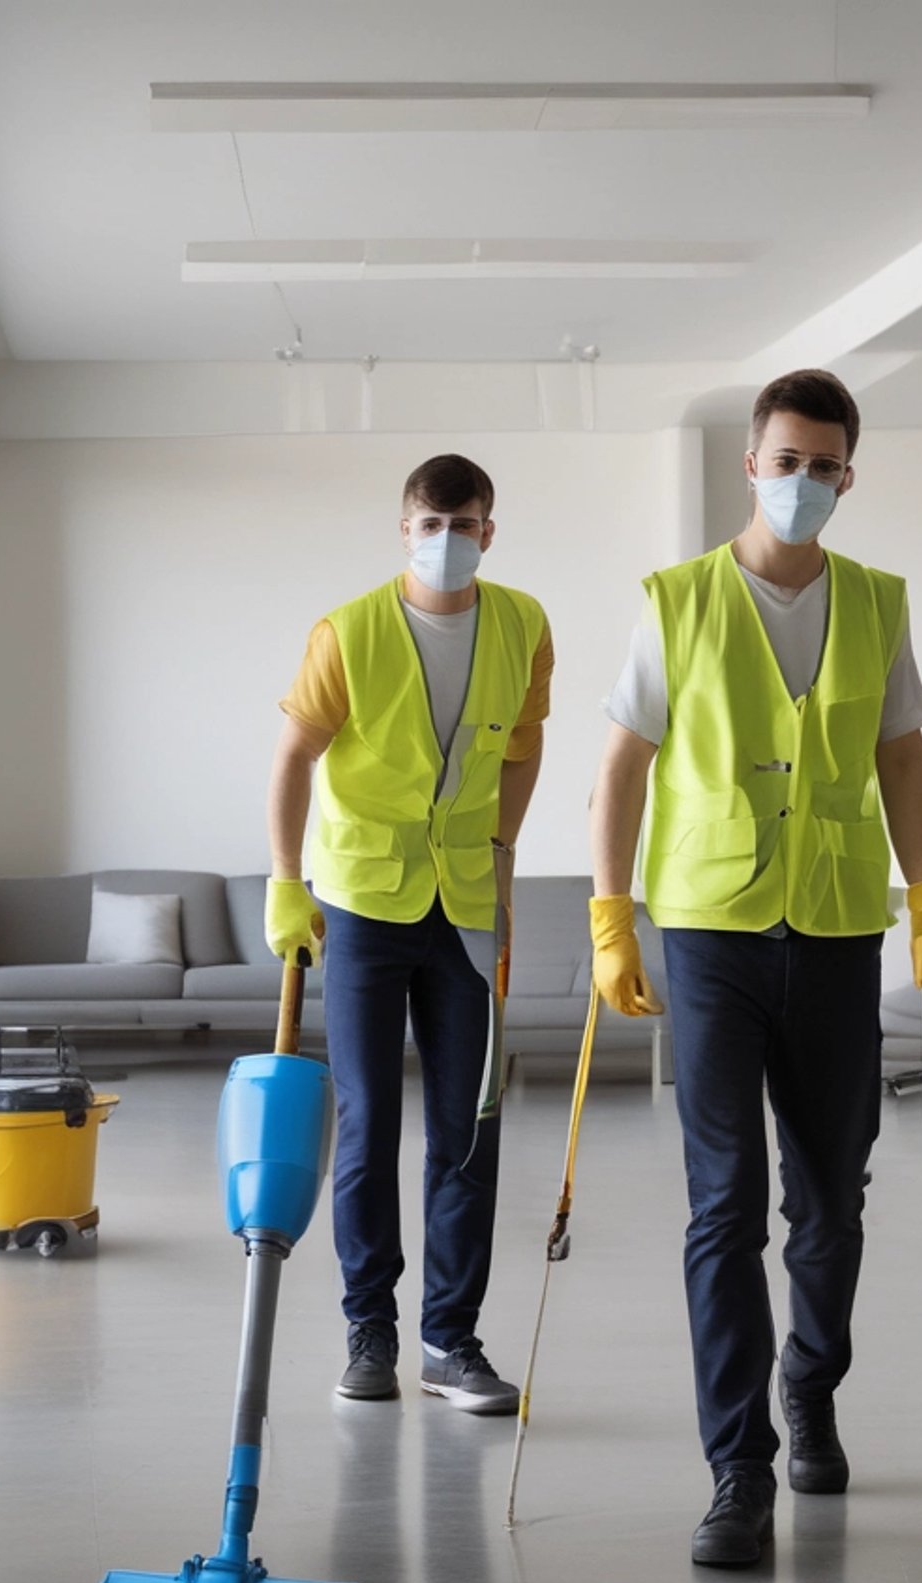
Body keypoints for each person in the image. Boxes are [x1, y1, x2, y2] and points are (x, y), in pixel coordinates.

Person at [587, 368, 922, 1566]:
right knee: (725, 1201)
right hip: (710, 932)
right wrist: (611, 915)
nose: (802, 482)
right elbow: (623, 769)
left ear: (851, 475)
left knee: (832, 1201)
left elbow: (902, 759)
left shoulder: (879, 600)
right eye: (784, 459)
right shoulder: (680, 601)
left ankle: (811, 1382)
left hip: (841, 928)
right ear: (750, 464)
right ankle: (737, 1468)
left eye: (825, 465)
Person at [266, 454, 554, 1412]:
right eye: (431, 524)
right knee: (368, 1125)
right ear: (404, 529)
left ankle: (450, 1341)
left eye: (466, 523)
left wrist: (504, 853)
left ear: (489, 529)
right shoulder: (347, 631)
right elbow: (295, 757)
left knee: (469, 1129)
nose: (448, 540)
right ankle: (369, 1332)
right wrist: (286, 881)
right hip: (362, 901)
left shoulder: (522, 625)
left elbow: (524, 744)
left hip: (467, 902)